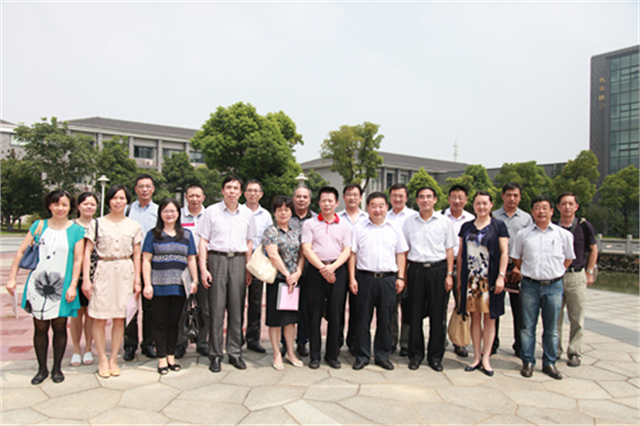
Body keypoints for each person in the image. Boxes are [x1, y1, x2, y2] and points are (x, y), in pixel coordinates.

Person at [6, 190, 85, 385]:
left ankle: (57, 368)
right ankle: (42, 369)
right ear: (49, 205)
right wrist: (12, 277)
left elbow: (78, 260)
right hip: (38, 284)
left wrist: (73, 285)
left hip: (62, 285)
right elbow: (21, 252)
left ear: (70, 207)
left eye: (64, 204)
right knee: (40, 327)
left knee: (59, 326)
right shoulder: (39, 226)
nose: (60, 208)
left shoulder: (76, 231)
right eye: (56, 204)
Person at [197, 175, 257, 373]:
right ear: (222, 191)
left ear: (241, 192)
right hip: (217, 260)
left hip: (239, 261)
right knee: (215, 310)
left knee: (237, 309)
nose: (232, 191)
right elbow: (203, 241)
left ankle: (234, 352)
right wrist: (203, 268)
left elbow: (249, 242)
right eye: (228, 187)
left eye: (235, 188)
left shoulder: (247, 214)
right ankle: (215, 355)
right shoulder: (211, 212)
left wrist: (248, 267)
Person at [83, 184, 143, 379]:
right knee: (99, 317)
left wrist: (137, 281)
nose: (118, 202)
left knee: (120, 318)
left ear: (127, 201)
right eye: (115, 198)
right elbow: (87, 252)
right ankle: (102, 358)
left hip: (125, 271)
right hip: (103, 269)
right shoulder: (97, 223)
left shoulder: (133, 225)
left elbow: (137, 254)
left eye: (122, 198)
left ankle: (113, 358)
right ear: (108, 200)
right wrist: (86, 280)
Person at [512, 195, 575, 380]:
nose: (541, 211)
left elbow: (568, 259)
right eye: (537, 208)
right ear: (532, 212)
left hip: (554, 286)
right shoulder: (523, 234)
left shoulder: (563, 235)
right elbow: (516, 257)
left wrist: (556, 272)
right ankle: (528, 361)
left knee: (552, 328)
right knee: (527, 327)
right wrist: (529, 270)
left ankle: (549, 363)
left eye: (545, 208)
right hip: (530, 285)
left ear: (552, 211)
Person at [350, 192, 408, 371]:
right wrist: (352, 278)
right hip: (364, 278)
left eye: (381, 205)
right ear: (367, 208)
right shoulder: (359, 227)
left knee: (386, 319)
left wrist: (401, 277)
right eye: (373, 206)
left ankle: (383, 355)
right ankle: (362, 355)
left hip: (388, 279)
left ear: (386, 207)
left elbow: (401, 253)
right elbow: (352, 254)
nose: (377, 209)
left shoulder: (394, 227)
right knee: (362, 319)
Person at [142, 198, 199, 375]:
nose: (169, 214)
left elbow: (191, 259)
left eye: (173, 211)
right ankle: (161, 359)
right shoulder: (153, 234)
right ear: (160, 213)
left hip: (179, 286)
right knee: (160, 323)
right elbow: (146, 260)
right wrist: (147, 284)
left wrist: (195, 281)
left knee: (174, 323)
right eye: (166, 211)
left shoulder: (186, 235)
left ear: (178, 213)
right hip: (158, 286)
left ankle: (171, 356)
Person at [403, 186, 455, 371]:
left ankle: (435, 357)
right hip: (416, 270)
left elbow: (449, 249)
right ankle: (415, 355)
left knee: (437, 315)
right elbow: (404, 250)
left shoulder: (444, 222)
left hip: (438, 270)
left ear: (435, 200)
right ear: (417, 200)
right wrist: (404, 275)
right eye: (421, 197)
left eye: (429, 197)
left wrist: (449, 274)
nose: (425, 200)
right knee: (415, 314)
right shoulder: (409, 222)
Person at [457, 191, 509, 376]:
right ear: (473, 205)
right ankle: (476, 357)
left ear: (491, 205)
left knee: (489, 318)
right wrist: (459, 279)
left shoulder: (499, 226)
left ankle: (486, 357)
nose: (481, 207)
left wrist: (501, 276)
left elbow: (504, 252)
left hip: (490, 278)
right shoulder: (466, 226)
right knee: (474, 317)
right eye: (478, 203)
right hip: (471, 279)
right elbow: (461, 253)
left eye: (485, 203)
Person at [301, 186, 352, 369]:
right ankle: (314, 355)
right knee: (314, 313)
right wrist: (323, 268)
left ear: (337, 203)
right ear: (319, 203)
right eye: (324, 200)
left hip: (337, 270)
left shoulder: (345, 225)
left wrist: (333, 267)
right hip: (316, 271)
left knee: (335, 313)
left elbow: (347, 250)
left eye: (330, 200)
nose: (327, 204)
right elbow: (306, 249)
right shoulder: (310, 224)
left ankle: (332, 355)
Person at [555, 192, 598, 368]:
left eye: (570, 204)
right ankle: (554, 350)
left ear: (576, 207)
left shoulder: (584, 226)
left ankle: (574, 352)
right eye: (564, 204)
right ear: (558, 207)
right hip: (556, 276)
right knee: (554, 317)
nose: (567, 207)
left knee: (577, 317)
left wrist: (589, 272)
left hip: (576, 274)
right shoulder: (553, 226)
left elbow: (593, 250)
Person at [263, 196, 305, 370]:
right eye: (279, 209)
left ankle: (290, 352)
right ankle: (276, 353)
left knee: (290, 320)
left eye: (286, 209)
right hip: (277, 280)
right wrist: (287, 274)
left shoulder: (296, 231)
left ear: (291, 212)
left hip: (294, 282)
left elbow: (302, 254)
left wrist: (298, 273)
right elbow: (273, 255)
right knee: (275, 320)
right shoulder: (270, 231)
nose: (283, 213)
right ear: (274, 212)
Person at [492, 182, 533, 358]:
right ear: (502, 196)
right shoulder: (493, 216)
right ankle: (492, 344)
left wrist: (519, 266)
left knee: (520, 310)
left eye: (515, 195)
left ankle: (520, 346)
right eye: (508, 195)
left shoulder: (526, 219)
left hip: (517, 268)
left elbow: (529, 244)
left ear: (520, 197)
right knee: (494, 307)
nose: (512, 198)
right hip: (496, 267)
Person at [123, 174, 159, 361]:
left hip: (152, 263)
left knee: (150, 306)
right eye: (141, 186)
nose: (145, 189)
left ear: (153, 189)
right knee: (130, 305)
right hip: (130, 262)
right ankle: (130, 344)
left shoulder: (159, 211)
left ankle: (148, 343)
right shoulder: (127, 209)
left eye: (148, 186)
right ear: (136, 189)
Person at [175, 184, 210, 358]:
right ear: (186, 197)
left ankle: (202, 342)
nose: (194, 199)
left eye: (198, 196)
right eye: (191, 196)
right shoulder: (178, 215)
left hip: (205, 264)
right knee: (182, 306)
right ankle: (180, 342)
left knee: (206, 307)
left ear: (203, 197)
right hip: (183, 264)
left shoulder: (210, 215)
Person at [441, 185, 475, 358]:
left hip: (464, 267)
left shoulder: (472, 219)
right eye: (453, 197)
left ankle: (459, 341)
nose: (457, 201)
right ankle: (441, 339)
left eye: (460, 197)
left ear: (466, 200)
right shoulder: (439, 217)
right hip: (442, 265)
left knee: (462, 304)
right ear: (448, 199)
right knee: (440, 305)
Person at [284, 185, 318, 357]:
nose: (301, 200)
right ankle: (285, 343)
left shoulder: (316, 219)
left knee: (306, 309)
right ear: (293, 198)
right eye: (298, 196)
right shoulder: (286, 217)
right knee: (286, 308)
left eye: (305, 197)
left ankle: (302, 342)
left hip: (310, 272)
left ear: (310, 200)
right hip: (288, 272)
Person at [386, 183, 418, 356]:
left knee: (408, 306)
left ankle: (405, 342)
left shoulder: (414, 216)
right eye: (394, 195)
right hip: (390, 267)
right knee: (391, 307)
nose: (397, 199)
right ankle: (391, 341)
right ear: (390, 197)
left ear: (406, 198)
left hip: (411, 267)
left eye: (401, 196)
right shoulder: (384, 215)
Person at [337, 183, 368, 354]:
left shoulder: (367, 218)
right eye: (349, 194)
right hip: (340, 267)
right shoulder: (337, 217)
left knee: (358, 307)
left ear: (360, 197)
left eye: (355, 194)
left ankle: (354, 341)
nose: (352, 198)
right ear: (343, 197)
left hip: (361, 269)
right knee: (338, 306)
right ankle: (337, 341)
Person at [243, 180, 273, 354]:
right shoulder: (238, 211)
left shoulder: (266, 215)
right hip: (239, 258)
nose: (253, 193)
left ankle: (253, 339)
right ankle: (235, 338)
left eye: (256, 191)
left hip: (258, 260)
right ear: (244, 193)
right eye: (249, 190)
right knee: (236, 301)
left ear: (261, 194)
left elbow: (268, 239)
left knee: (255, 301)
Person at [69, 192, 99, 367]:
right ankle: (75, 349)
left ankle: (88, 348)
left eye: (92, 204)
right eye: (86, 204)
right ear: (78, 206)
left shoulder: (99, 225)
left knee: (91, 314)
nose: (89, 207)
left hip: (96, 276)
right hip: (74, 277)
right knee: (76, 314)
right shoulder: (71, 225)